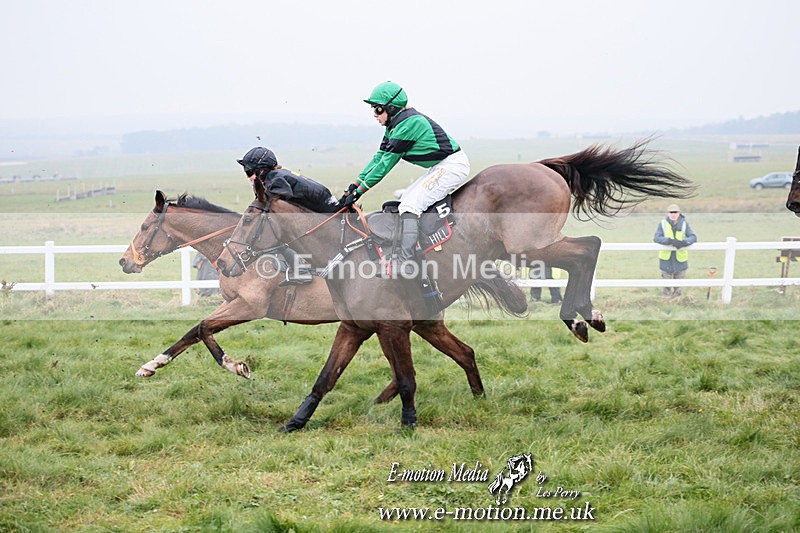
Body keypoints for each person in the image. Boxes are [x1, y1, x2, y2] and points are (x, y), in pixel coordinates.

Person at [337, 81, 470, 277]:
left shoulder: (409, 124)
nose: (374, 114)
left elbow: (385, 165)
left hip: (452, 166)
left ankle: (406, 262)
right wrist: (355, 184)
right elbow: (378, 157)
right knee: (405, 200)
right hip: (441, 165)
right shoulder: (394, 125)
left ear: (391, 108)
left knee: (410, 206)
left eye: (377, 109)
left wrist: (360, 192)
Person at [237, 147, 339, 285]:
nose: (249, 177)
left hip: (326, 212)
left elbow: (279, 203)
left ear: (262, 170)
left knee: (282, 235)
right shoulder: (275, 175)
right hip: (322, 209)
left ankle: (302, 271)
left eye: (249, 172)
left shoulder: (274, 179)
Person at [653, 203, 697, 298]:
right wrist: (669, 241)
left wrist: (683, 242)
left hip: (680, 259)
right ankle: (666, 302)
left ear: (679, 213)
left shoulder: (685, 224)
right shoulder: (662, 224)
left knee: (679, 285)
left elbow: (693, 237)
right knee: (666, 285)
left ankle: (678, 301)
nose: (673, 214)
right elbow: (656, 238)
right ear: (668, 213)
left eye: (675, 212)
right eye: (671, 212)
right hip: (666, 260)